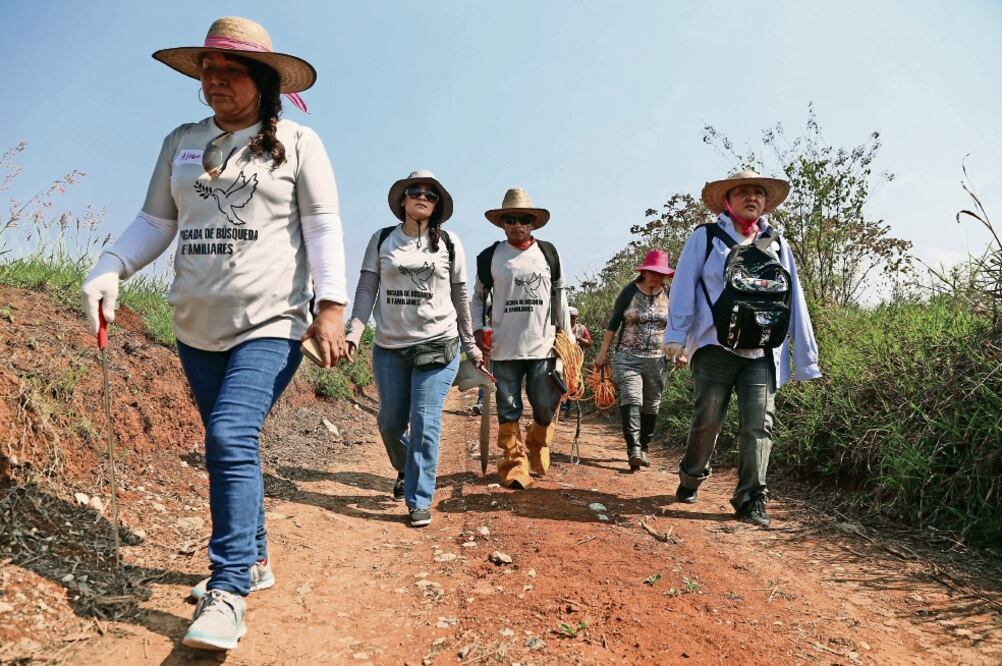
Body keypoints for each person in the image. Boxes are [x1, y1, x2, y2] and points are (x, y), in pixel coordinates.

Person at [79, 17, 347, 651]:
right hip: (195, 325)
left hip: (271, 321)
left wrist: (330, 306)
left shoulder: (301, 142)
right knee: (229, 441)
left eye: (229, 69)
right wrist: (109, 266)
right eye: (207, 69)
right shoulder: (182, 142)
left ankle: (228, 590)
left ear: (262, 80)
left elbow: (324, 227)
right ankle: (254, 558)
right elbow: (155, 219)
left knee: (229, 434)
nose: (215, 79)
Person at [663, 169, 821, 528]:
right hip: (713, 344)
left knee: (759, 424)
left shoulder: (777, 243)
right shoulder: (706, 238)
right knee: (708, 420)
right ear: (728, 200)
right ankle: (692, 475)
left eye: (759, 193)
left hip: (763, 349)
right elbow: (684, 285)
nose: (752, 198)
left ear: (766, 203)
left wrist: (804, 357)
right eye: (743, 192)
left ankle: (751, 497)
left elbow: (793, 298)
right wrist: (676, 334)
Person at [346, 170, 481, 527]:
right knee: (391, 424)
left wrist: (471, 345)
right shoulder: (381, 240)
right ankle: (407, 468)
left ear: (437, 206)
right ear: (402, 200)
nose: (422, 196)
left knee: (425, 421)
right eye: (415, 191)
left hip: (438, 344)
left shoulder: (450, 243)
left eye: (431, 194)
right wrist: (354, 332)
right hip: (390, 347)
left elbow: (461, 297)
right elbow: (365, 290)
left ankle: (419, 498)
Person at [471, 188, 572, 489]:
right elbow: (477, 299)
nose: (517, 224)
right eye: (511, 219)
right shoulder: (490, 257)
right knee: (508, 406)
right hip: (503, 348)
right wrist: (479, 330)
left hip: (542, 346)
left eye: (524, 219)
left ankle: (538, 445)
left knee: (544, 405)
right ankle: (515, 465)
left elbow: (560, 297)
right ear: (503, 223)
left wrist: (567, 341)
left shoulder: (548, 254)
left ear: (533, 223)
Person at [594, 250, 674, 470]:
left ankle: (644, 447)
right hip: (628, 357)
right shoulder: (629, 291)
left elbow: (678, 324)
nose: (657, 277)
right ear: (644, 272)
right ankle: (634, 450)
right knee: (632, 397)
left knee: (651, 403)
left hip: (658, 359)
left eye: (661, 274)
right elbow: (613, 324)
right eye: (653, 273)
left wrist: (681, 350)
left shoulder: (669, 294)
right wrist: (603, 354)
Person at [559, 306, 592, 415]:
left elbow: (589, 342)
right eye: (569, 317)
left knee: (572, 384)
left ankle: (565, 408)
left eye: (573, 318)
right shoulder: (560, 328)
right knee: (561, 383)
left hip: (576, 363)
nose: (571, 320)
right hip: (562, 361)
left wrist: (577, 339)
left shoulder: (581, 329)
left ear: (576, 318)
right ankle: (561, 408)